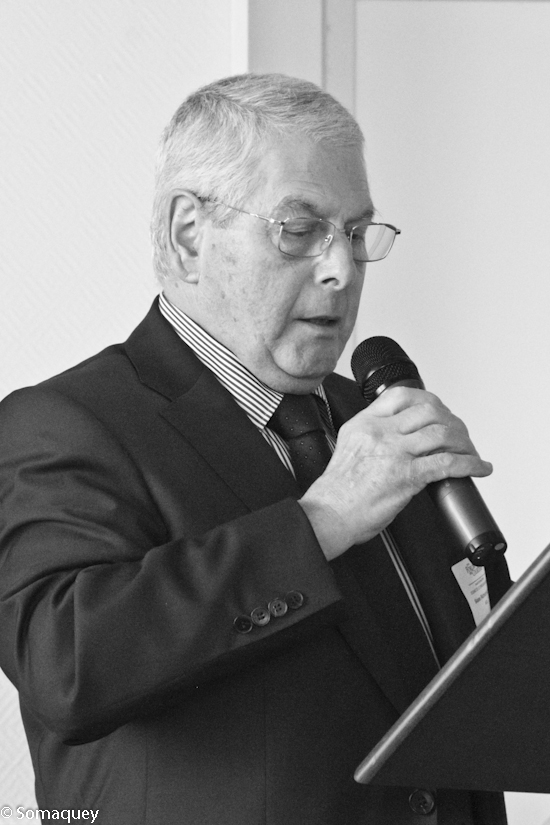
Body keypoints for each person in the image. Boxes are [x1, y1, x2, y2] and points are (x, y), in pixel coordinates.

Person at [0, 73, 510, 824]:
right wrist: (321, 521)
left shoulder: (372, 419)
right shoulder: (65, 423)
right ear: (189, 234)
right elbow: (67, 665)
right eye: (299, 230)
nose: (342, 270)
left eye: (356, 233)